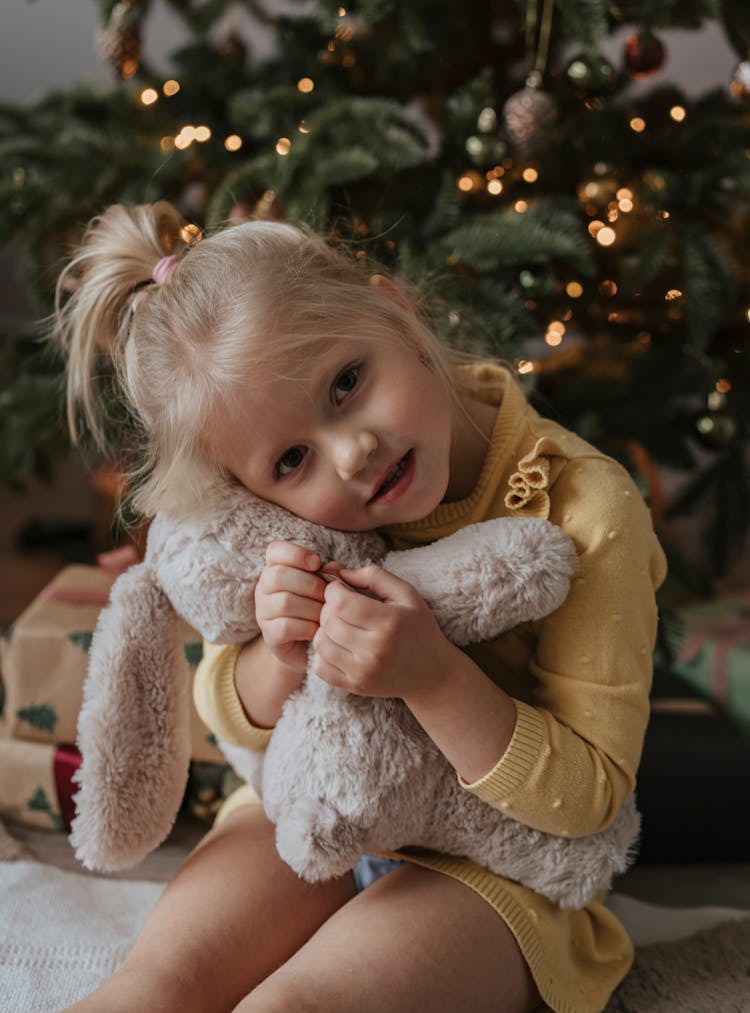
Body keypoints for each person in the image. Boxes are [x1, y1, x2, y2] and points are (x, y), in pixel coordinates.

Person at [55, 200, 666, 1013]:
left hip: (500, 866)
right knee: (154, 987)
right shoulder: (290, 518)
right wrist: (278, 655)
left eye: (347, 382)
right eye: (292, 459)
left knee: (292, 1005)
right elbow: (228, 710)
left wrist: (435, 678)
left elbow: (591, 794)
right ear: (250, 486)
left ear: (398, 312)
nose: (353, 454)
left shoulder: (587, 507)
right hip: (319, 815)